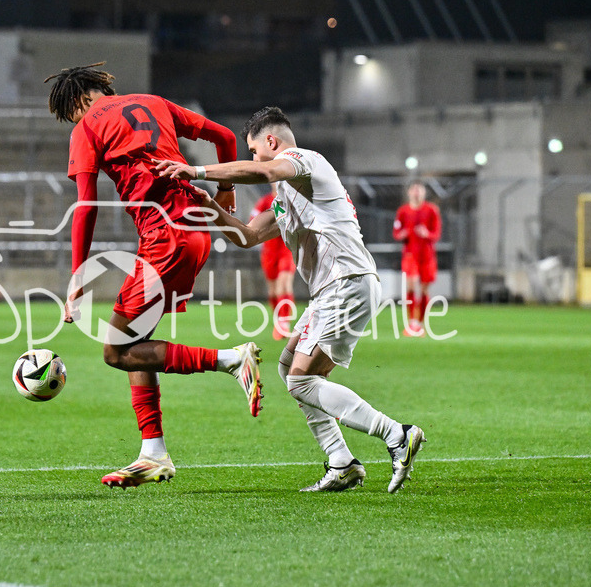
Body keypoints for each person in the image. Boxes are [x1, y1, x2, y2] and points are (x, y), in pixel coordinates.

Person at [156, 106, 425, 494]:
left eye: (252, 150)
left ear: (271, 141)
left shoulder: (302, 161)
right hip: (331, 290)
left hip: (346, 282)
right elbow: (246, 236)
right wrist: (208, 204)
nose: (251, 158)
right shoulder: (285, 193)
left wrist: (198, 170)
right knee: (289, 370)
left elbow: (264, 170)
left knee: (302, 380)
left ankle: (396, 434)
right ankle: (341, 462)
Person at [45, 62, 263, 489]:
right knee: (134, 343)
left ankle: (232, 360)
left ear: (77, 101)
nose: (74, 120)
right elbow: (225, 136)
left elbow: (86, 205)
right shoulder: (154, 102)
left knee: (115, 351)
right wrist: (226, 189)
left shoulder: (86, 127)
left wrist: (77, 277)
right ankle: (153, 453)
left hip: (166, 236)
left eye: (70, 113)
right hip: (195, 229)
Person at [393, 180, 441, 337]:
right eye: (414, 189)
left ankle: (420, 324)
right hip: (410, 255)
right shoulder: (403, 211)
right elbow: (396, 232)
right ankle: (412, 323)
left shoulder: (432, 210)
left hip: (427, 255)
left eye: (419, 190)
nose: (416, 192)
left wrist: (427, 233)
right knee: (412, 285)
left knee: (425, 289)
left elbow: (436, 233)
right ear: (409, 193)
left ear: (424, 193)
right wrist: (402, 234)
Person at [250, 186, 297, 341]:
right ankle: (278, 320)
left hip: (286, 247)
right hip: (269, 249)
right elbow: (253, 221)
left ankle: (285, 322)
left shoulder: (289, 200)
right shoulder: (265, 202)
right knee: (272, 289)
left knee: (284, 282)